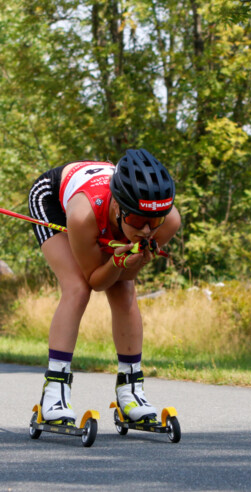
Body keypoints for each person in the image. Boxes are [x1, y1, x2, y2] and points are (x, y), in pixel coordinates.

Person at [27, 149, 181, 425]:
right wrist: (118, 262)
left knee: (125, 290)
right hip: (54, 199)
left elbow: (120, 278)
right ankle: (55, 390)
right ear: (118, 208)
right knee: (77, 288)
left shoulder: (167, 221)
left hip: (101, 205)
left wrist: (127, 263)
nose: (147, 231)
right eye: (137, 221)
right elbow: (95, 280)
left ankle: (131, 390)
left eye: (154, 222)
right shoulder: (83, 216)